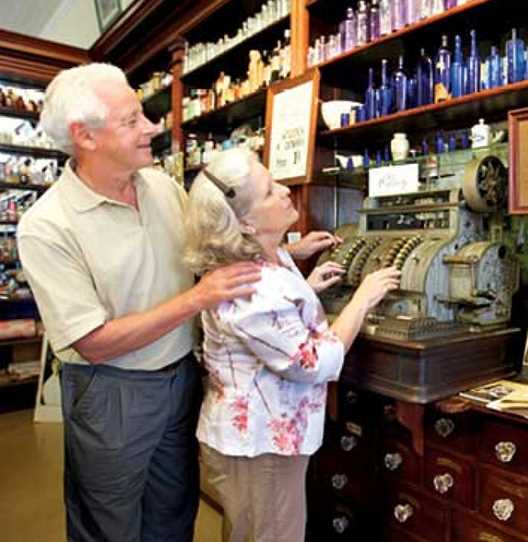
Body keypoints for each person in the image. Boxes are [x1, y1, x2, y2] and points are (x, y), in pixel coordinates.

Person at [16, 63, 335, 542]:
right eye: (131, 121)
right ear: (85, 135)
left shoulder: (161, 187)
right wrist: (197, 298)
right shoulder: (47, 226)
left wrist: (284, 252)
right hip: (111, 392)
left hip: (180, 378)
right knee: (109, 523)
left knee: (173, 515)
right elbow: (93, 342)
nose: (152, 127)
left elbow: (213, 257)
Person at [183, 148, 400, 542]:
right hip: (260, 447)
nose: (285, 191)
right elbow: (315, 360)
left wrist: (305, 284)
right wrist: (363, 298)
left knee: (251, 532)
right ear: (246, 222)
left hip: (261, 441)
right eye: (269, 191)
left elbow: (278, 292)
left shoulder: (263, 258)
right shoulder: (251, 290)